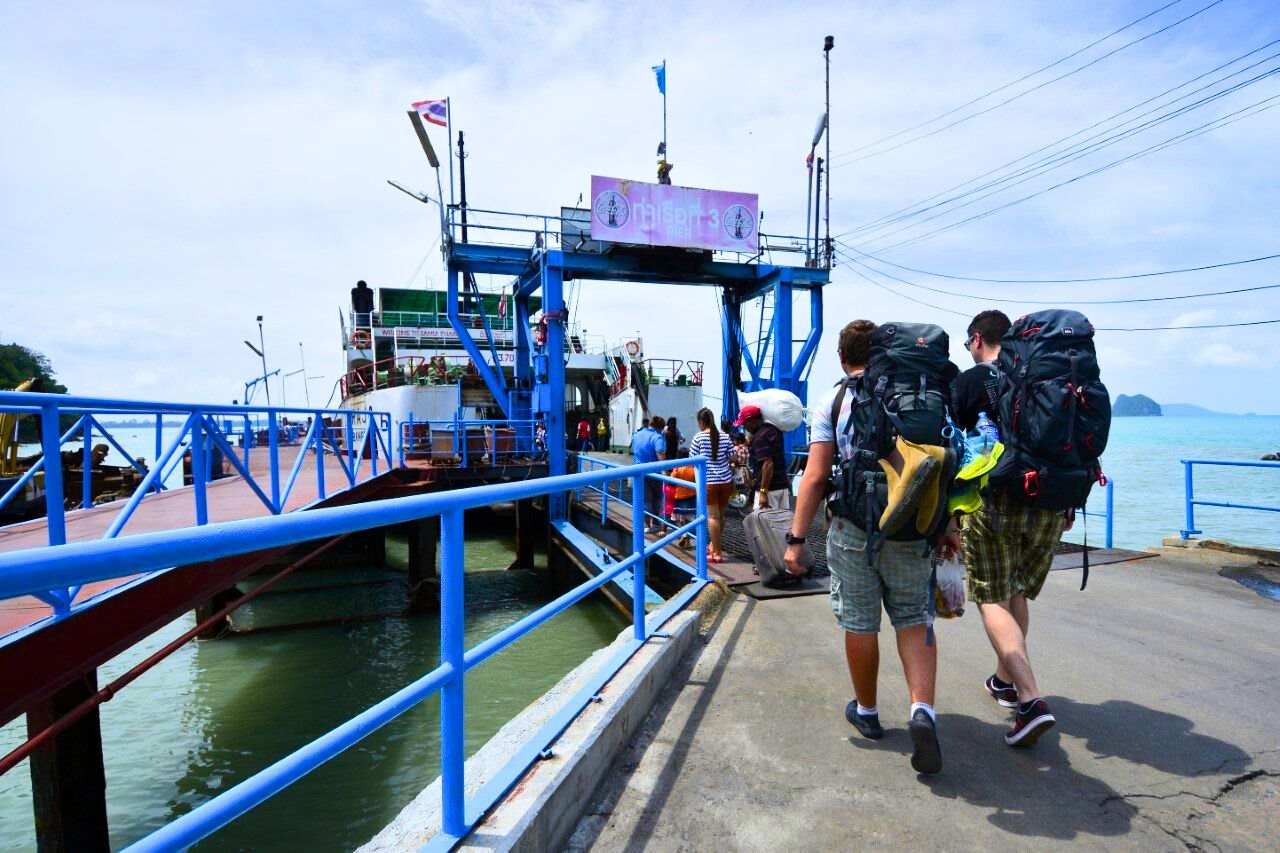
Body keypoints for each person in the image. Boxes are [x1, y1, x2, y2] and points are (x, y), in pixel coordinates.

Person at [784, 319, 943, 775]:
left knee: (859, 621)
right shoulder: (917, 394)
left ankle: (868, 712)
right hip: (911, 527)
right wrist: (948, 525)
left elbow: (816, 476)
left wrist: (796, 541)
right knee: (913, 616)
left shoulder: (834, 401)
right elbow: (939, 464)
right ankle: (922, 710)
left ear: (842, 358)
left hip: (853, 526)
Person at [942, 309, 1070, 748]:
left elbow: (952, 446)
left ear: (977, 339)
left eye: (968, 343)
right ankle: (1005, 681)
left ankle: (1031, 700)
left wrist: (948, 515)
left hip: (994, 499)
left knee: (991, 596)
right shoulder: (1044, 376)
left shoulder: (972, 381)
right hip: (1050, 499)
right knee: (1014, 590)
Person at [687, 407, 735, 562]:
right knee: (721, 516)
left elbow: (692, 460)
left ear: (701, 422)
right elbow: (733, 456)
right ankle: (714, 546)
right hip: (726, 481)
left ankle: (717, 553)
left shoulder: (698, 437)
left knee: (713, 517)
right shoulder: (725, 436)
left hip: (709, 482)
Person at [736, 405, 789, 510]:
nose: (744, 427)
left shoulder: (760, 437)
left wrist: (763, 492)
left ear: (752, 421)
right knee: (782, 519)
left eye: (745, 424)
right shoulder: (774, 430)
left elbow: (768, 464)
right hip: (782, 486)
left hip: (769, 490)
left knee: (762, 520)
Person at [630, 415, 667, 533]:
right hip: (653, 474)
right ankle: (655, 524)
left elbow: (633, 451)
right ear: (660, 428)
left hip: (638, 472)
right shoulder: (657, 437)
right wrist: (666, 475)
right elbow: (661, 458)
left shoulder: (637, 435)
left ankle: (646, 525)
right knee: (656, 499)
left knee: (644, 500)